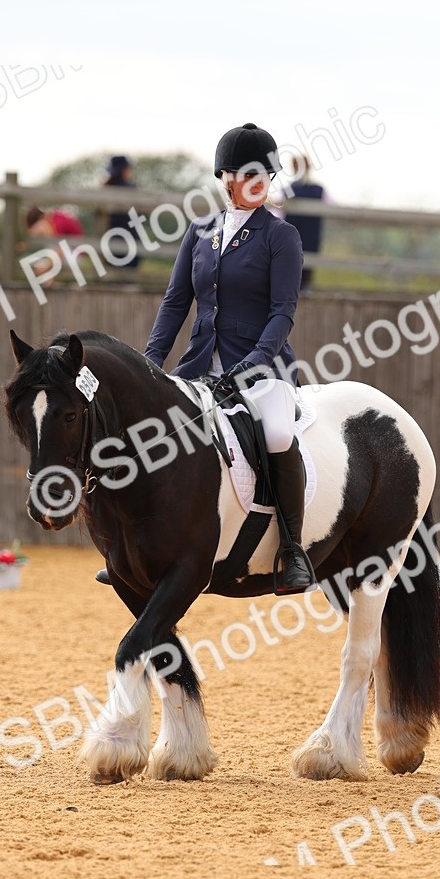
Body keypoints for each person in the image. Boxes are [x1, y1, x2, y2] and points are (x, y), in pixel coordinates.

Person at [143, 122, 315, 595]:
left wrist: (253, 362)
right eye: (247, 174)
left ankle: (293, 549)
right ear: (226, 176)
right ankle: (138, 547)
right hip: (200, 367)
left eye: (266, 175)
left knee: (278, 435)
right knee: (151, 428)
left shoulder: (281, 237)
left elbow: (284, 312)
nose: (260, 184)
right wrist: (150, 364)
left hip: (263, 370)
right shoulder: (200, 232)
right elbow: (176, 302)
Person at [282, 155, 329, 291]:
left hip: (291, 236)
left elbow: (278, 211)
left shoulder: (289, 189)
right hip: (312, 236)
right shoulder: (319, 190)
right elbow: (333, 206)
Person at [104, 154, 139, 270]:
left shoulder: (106, 188)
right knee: (128, 276)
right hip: (130, 240)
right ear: (124, 170)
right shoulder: (131, 189)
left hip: (110, 239)